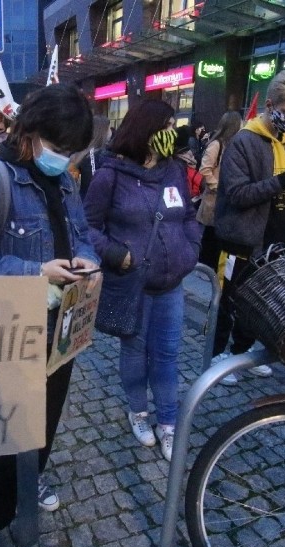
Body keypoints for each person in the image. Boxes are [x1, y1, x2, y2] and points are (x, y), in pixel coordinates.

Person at [0, 84, 98, 547]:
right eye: (59, 148)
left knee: (43, 424)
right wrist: (35, 273)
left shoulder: (68, 183)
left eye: (73, 151)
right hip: (6, 336)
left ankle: (31, 477)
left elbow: (82, 236)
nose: (65, 158)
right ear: (32, 134)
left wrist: (89, 263)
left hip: (60, 331)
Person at [84, 99, 201, 462]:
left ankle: (168, 422)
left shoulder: (175, 171)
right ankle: (138, 411)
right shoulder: (110, 175)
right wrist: (118, 254)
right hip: (132, 283)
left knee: (167, 354)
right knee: (135, 352)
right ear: (145, 130)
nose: (172, 132)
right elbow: (87, 227)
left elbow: (189, 214)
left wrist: (190, 248)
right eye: (166, 125)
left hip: (171, 285)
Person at [212, 70, 285, 385]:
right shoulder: (244, 141)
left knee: (262, 301)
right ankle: (219, 355)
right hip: (242, 239)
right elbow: (237, 194)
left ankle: (242, 352)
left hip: (275, 237)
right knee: (232, 300)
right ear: (270, 104)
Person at [197, 111, 242, 270]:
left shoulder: (234, 144)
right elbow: (205, 169)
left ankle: (212, 266)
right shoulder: (217, 144)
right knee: (211, 235)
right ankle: (206, 267)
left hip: (226, 198)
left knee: (217, 235)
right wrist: (218, 187)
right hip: (214, 198)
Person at [76, 114, 112, 199]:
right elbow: (92, 181)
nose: (111, 131)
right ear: (103, 130)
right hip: (93, 202)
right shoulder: (93, 154)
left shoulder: (85, 152)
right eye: (109, 128)